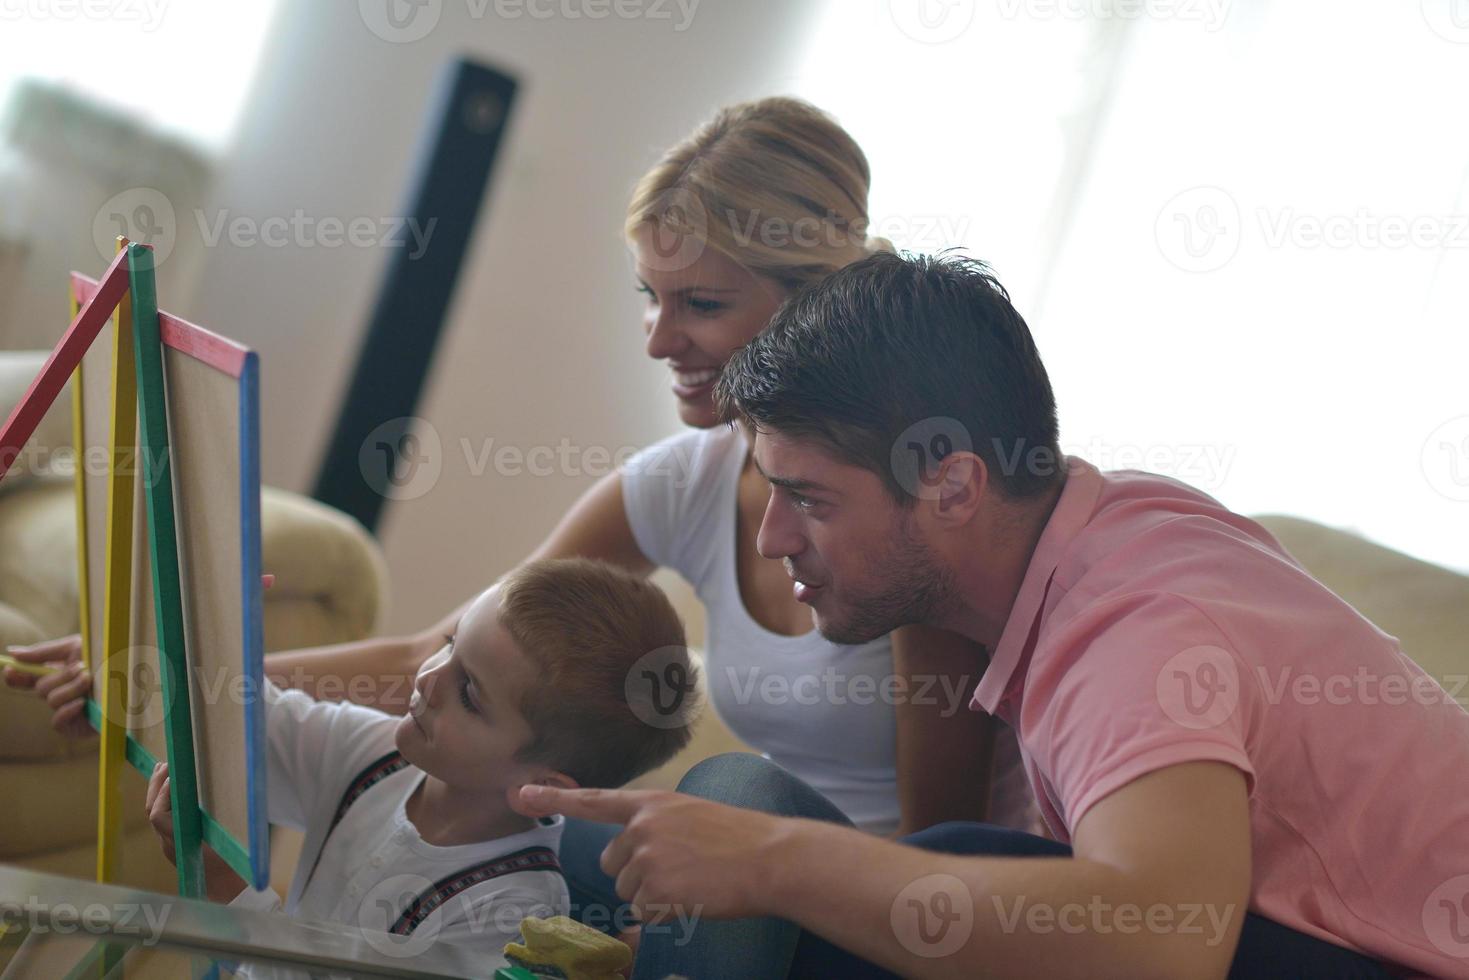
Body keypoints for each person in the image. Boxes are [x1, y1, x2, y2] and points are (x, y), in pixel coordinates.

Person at [4, 97, 1038, 920]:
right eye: (647, 295)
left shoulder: (900, 525)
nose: (655, 338)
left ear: (812, 300)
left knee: (720, 797)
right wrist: (194, 684)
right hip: (755, 890)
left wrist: (723, 877)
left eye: (701, 304)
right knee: (484, 809)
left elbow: (930, 870)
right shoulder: (684, 479)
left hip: (851, 908)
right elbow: (444, 647)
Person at [514, 252, 1469, 979]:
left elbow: (1164, 938)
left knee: (889, 857)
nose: (773, 541)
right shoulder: (1107, 524)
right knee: (678, 841)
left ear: (953, 484)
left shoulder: (1134, 621)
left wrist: (774, 864)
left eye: (809, 499)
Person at [141, 558, 696, 966]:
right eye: (450, 645)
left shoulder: (507, 913)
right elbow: (243, 720)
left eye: (470, 693)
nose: (429, 679)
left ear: (543, 786)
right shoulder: (375, 754)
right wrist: (215, 636)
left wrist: (229, 892)